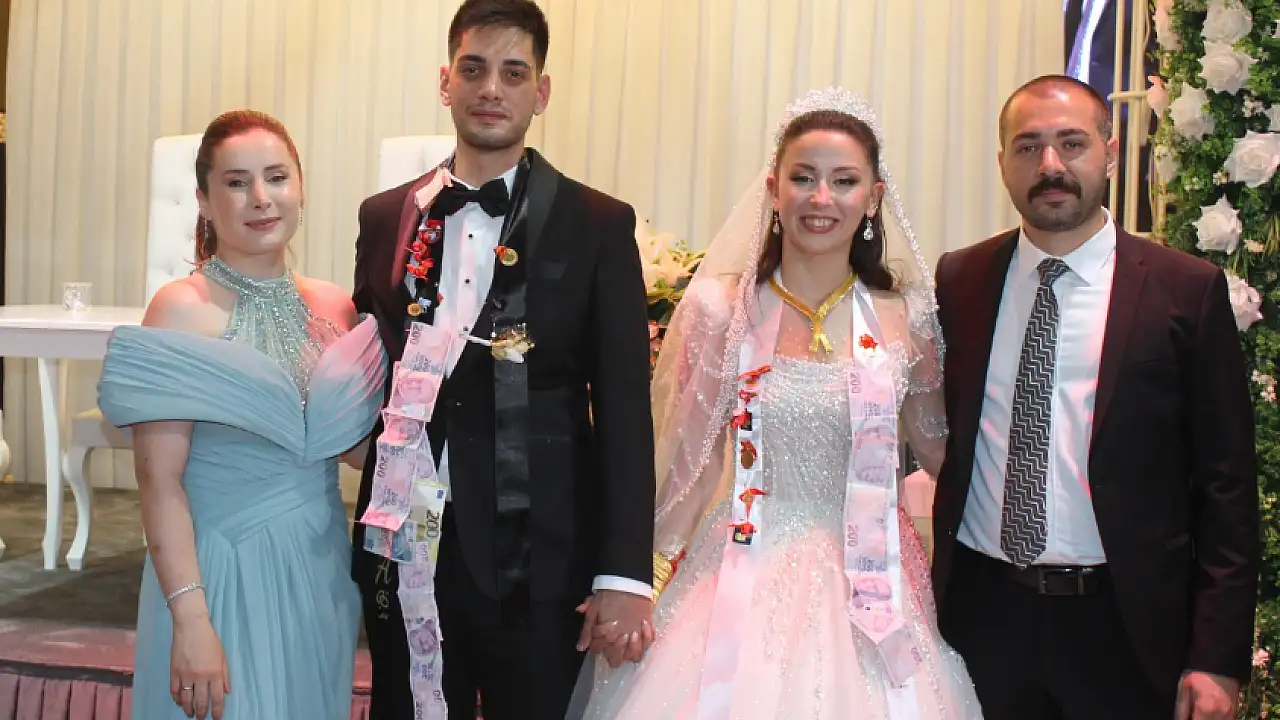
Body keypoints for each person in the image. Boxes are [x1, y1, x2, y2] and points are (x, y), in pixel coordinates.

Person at [571, 87, 983, 719]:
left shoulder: (907, 317)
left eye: (844, 181)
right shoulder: (722, 310)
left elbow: (940, 451)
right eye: (804, 178)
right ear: (774, 189)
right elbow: (693, 464)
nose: (822, 198)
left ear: (873, 198)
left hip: (877, 577)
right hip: (743, 561)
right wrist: (643, 578)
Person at [348, 1, 656, 718]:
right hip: (407, 542)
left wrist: (623, 573)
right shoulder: (385, 216)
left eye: (514, 73)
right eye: (474, 68)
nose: (492, 88)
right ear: (445, 81)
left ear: (540, 92)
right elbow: (371, 368)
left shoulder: (598, 224)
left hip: (542, 556)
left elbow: (623, 410)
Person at [931, 75, 1260, 720]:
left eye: (1072, 143)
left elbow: (1227, 486)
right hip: (982, 619)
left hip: (1124, 628)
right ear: (1002, 163)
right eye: (1028, 146)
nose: (1050, 165)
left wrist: (1217, 656)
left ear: (1109, 153)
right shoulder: (959, 280)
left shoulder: (1184, 291)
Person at [97, 110, 386, 720]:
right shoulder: (179, 310)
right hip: (218, 572)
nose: (260, 197)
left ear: (300, 187)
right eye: (236, 182)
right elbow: (159, 482)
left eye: (276, 177)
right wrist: (190, 619)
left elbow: (360, 452)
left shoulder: (336, 305)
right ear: (204, 200)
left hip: (320, 570)